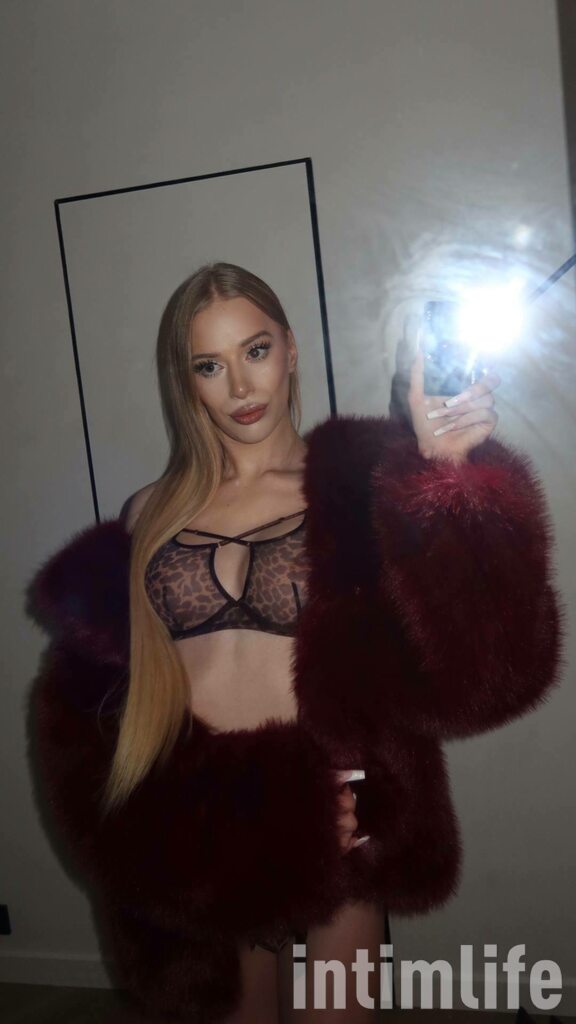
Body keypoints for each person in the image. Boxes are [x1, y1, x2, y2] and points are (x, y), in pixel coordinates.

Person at [26, 263, 565, 1023]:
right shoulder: (149, 512)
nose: (241, 386)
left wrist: (446, 475)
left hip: (333, 824)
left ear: (290, 349)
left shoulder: (357, 484)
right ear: (185, 381)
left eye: (255, 351)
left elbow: (478, 667)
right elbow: (103, 705)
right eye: (209, 365)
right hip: (212, 833)